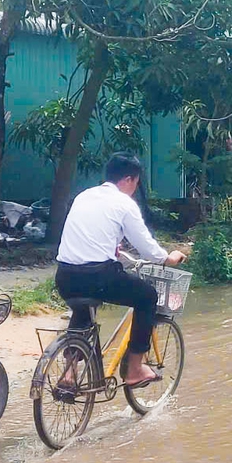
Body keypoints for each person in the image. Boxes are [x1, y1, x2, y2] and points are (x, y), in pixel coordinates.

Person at [54, 154, 187, 388]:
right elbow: (147, 247)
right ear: (128, 179)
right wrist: (168, 258)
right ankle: (135, 369)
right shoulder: (124, 203)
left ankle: (69, 372)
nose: (135, 189)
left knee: (82, 308)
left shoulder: (84, 196)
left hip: (64, 276)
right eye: (136, 183)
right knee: (147, 296)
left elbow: (92, 235)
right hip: (97, 277)